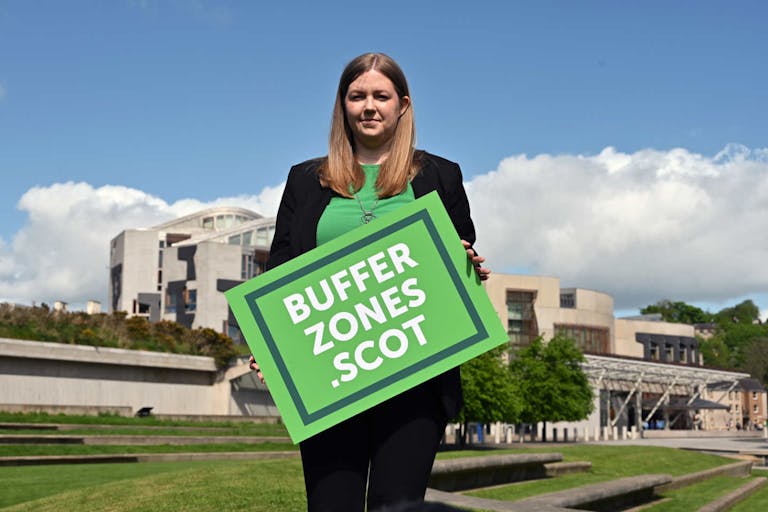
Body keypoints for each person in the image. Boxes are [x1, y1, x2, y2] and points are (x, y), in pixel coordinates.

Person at [249, 52, 489, 512]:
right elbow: (279, 272)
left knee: (395, 506)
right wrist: (269, 344)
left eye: (381, 96)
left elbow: (456, 261)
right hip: (328, 376)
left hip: (414, 378)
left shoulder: (441, 175)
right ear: (343, 106)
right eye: (357, 96)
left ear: (403, 104)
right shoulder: (304, 180)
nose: (369, 106)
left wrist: (468, 263)